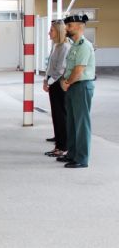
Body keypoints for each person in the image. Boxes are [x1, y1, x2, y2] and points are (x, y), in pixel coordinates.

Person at [56, 14, 96, 169]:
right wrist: (64, 81)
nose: (66, 28)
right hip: (72, 86)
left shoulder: (85, 45)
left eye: (69, 25)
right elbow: (70, 67)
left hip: (81, 86)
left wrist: (67, 82)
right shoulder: (74, 45)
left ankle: (82, 158)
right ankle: (72, 154)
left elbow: (79, 69)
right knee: (71, 122)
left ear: (80, 26)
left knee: (81, 123)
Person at [43, 20, 71, 157]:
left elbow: (61, 69)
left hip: (59, 84)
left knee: (61, 116)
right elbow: (50, 65)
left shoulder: (65, 47)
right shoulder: (56, 46)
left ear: (58, 31)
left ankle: (63, 146)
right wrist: (45, 79)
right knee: (56, 115)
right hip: (53, 83)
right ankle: (58, 143)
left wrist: (50, 81)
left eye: (51, 30)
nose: (49, 32)